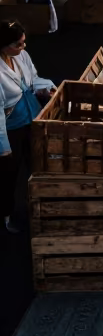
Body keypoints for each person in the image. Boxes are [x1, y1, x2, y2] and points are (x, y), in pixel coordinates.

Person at [0, 21, 55, 231]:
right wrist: (3, 149)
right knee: (9, 174)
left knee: (38, 164)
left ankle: (40, 207)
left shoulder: (21, 55)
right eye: (18, 44)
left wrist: (45, 89)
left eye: (24, 42)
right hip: (12, 127)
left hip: (32, 116)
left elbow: (33, 79)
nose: (23, 47)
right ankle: (6, 216)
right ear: (4, 45)